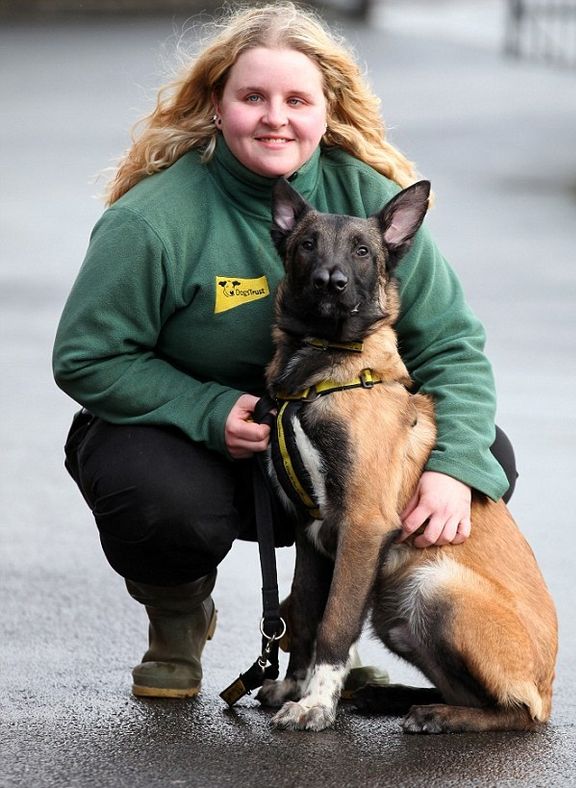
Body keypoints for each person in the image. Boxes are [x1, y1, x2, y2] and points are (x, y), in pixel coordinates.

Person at [52, 2, 517, 700]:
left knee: (487, 460)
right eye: (252, 97)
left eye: (297, 99)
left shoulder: (366, 197)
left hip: (325, 438)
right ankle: (180, 615)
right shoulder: (153, 220)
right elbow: (86, 355)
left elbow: (452, 344)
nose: (276, 117)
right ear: (217, 106)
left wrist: (454, 468)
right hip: (199, 444)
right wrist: (204, 407)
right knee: (155, 499)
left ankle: (329, 644)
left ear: (326, 111)